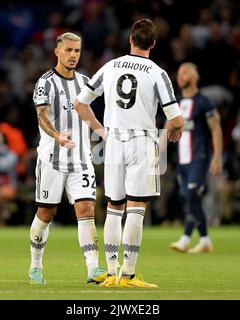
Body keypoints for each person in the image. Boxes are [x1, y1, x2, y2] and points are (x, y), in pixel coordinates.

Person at [74, 19, 184, 288]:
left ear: (130, 40)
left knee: (113, 207)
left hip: (113, 141)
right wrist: (172, 132)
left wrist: (101, 131)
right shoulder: (157, 73)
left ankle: (111, 273)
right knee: (136, 207)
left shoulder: (110, 66)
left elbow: (80, 103)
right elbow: (176, 118)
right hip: (142, 141)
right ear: (153, 44)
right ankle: (129, 275)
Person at [28, 32, 107, 285]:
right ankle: (35, 266)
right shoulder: (46, 82)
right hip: (52, 158)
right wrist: (56, 135)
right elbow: (42, 114)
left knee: (86, 209)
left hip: (82, 159)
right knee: (46, 213)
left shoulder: (85, 81)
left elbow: (88, 112)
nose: (74, 55)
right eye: (69, 50)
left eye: (77, 51)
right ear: (57, 52)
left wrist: (102, 131)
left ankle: (93, 269)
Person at [169, 63, 223, 253]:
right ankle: (205, 240)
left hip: (199, 158)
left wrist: (217, 157)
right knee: (189, 198)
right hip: (181, 161)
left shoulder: (203, 102)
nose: (180, 76)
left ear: (195, 76)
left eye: (184, 72)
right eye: (179, 73)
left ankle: (185, 239)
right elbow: (169, 129)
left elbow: (216, 130)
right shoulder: (175, 102)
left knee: (192, 195)